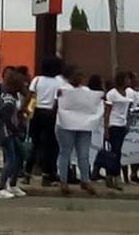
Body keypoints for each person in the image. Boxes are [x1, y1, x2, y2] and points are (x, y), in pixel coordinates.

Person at [55, 67, 99, 196]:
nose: (80, 77)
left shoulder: (86, 91)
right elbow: (56, 105)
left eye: (81, 75)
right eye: (77, 75)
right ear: (70, 77)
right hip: (65, 125)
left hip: (83, 126)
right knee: (65, 153)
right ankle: (63, 181)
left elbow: (93, 106)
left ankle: (85, 180)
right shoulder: (63, 89)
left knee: (84, 154)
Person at [24, 57, 65, 186]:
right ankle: (46, 176)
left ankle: (27, 173)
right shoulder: (59, 83)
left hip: (37, 113)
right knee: (49, 147)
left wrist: (23, 109)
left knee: (34, 144)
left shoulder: (37, 79)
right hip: (50, 115)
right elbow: (57, 102)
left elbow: (29, 96)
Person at [95, 72, 133, 190]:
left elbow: (129, 110)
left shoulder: (129, 93)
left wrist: (128, 123)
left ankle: (111, 175)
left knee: (118, 151)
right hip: (114, 124)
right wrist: (106, 129)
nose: (129, 81)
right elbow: (107, 112)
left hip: (122, 124)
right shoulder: (112, 94)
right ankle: (115, 176)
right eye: (127, 79)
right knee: (115, 151)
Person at [0, 69, 27, 199]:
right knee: (11, 159)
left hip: (11, 131)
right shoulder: (8, 98)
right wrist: (15, 130)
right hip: (6, 133)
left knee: (20, 156)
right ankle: (0, 188)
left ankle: (12, 185)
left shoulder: (13, 96)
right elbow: (5, 116)